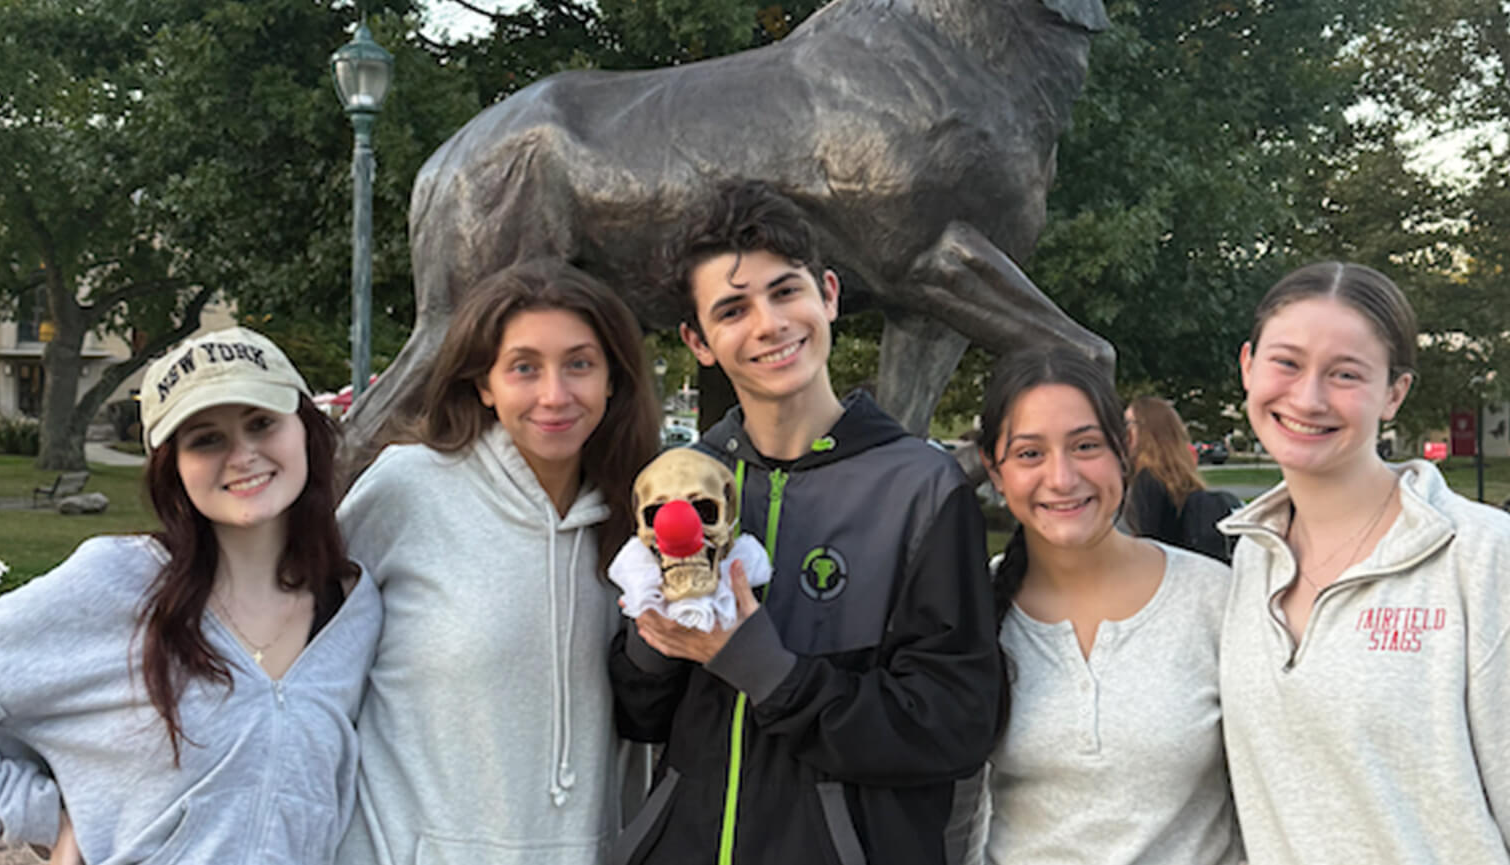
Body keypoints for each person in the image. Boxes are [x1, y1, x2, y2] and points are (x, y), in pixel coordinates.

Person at [608, 180, 1001, 864]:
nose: (767, 324)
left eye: (784, 291)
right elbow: (639, 715)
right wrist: (651, 642)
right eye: (732, 309)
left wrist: (771, 672)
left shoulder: (922, 489)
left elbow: (952, 728)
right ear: (698, 341)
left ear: (828, 294)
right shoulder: (683, 482)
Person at [0, 326, 380, 863]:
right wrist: (47, 816)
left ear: (305, 429)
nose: (243, 455)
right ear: (174, 468)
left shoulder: (354, 610)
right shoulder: (116, 585)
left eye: (262, 423)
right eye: (206, 439)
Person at [336, 259, 660, 865]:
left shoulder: (639, 519)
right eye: (524, 368)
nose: (554, 395)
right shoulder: (408, 490)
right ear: (483, 383)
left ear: (613, 378)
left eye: (580, 364)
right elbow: (306, 659)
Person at [1220, 261, 1510, 863]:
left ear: (1394, 394)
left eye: (1346, 373)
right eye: (1286, 362)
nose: (1309, 397)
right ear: (1248, 366)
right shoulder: (1249, 558)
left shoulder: (1483, 557)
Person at [978, 346, 1240, 865]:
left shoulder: (1215, 600)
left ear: (1126, 449)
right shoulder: (971, 610)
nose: (1062, 478)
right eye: (1030, 453)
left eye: (1085, 446)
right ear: (994, 469)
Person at [1123, 395, 1205, 542]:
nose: (1125, 431)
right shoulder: (1180, 476)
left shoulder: (1147, 479)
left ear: (1147, 430)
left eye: (1129, 423)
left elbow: (1147, 542)